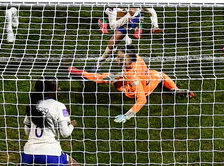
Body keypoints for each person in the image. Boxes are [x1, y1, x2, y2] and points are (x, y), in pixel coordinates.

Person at [68, 46, 196, 124]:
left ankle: (81, 73)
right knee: (160, 74)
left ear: (130, 58)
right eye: (118, 57)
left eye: (122, 58)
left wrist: (128, 115)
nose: (118, 60)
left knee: (107, 78)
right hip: (149, 80)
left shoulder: (130, 75)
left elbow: (142, 99)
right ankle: (175, 89)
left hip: (134, 89)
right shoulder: (137, 58)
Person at [93, 0, 161, 66]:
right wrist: (128, 15)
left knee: (114, 41)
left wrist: (155, 26)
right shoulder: (113, 2)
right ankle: (102, 60)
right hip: (125, 16)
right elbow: (113, 26)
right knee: (112, 43)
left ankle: (101, 61)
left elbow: (151, 11)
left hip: (134, 17)